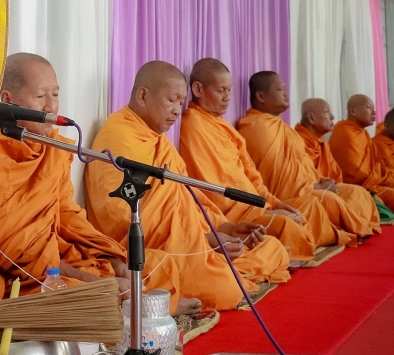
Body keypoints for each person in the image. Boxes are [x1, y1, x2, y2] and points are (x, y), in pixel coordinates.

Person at [86, 61, 289, 312]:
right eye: (171, 100)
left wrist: (224, 227)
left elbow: (188, 194)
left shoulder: (157, 139)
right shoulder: (120, 138)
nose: (176, 111)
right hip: (155, 252)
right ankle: (189, 282)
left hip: (189, 242)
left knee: (274, 248)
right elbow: (121, 219)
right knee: (227, 287)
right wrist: (203, 239)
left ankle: (213, 268)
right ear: (143, 96)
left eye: (180, 103)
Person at [0, 53, 150, 303]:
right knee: (92, 296)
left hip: (52, 257)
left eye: (56, 95)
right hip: (15, 275)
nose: (51, 107)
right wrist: (90, 281)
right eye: (40, 97)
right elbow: (8, 248)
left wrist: (110, 257)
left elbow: (65, 211)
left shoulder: (52, 147)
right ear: (7, 99)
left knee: (131, 271)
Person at [178, 58, 318, 262]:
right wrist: (257, 212)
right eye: (220, 91)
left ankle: (279, 255)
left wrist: (273, 203)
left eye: (229, 91)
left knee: (298, 218)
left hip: (252, 206)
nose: (227, 97)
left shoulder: (223, 127)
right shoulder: (193, 126)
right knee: (287, 227)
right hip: (232, 216)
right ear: (198, 89)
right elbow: (211, 190)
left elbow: (250, 174)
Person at [237, 73, 377, 241]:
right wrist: (316, 187)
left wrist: (320, 180)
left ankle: (346, 227)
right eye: (280, 89)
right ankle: (345, 230)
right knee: (325, 201)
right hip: (287, 197)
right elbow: (279, 177)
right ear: (261, 96)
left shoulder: (286, 130)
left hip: (309, 187)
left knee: (357, 192)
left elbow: (303, 166)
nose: (286, 94)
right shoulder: (255, 127)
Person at [295, 98, 389, 224]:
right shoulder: (296, 141)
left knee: (359, 193)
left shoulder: (322, 144)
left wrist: (329, 183)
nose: (332, 117)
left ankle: (352, 223)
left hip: (329, 188)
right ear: (311, 118)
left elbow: (335, 175)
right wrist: (320, 185)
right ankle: (348, 224)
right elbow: (296, 180)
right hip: (309, 191)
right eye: (327, 112)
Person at [328, 95, 394, 213]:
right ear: (353, 111)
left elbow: (378, 167)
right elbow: (355, 175)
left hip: (372, 183)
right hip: (356, 187)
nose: (374, 112)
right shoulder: (346, 134)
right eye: (369, 108)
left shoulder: (363, 134)